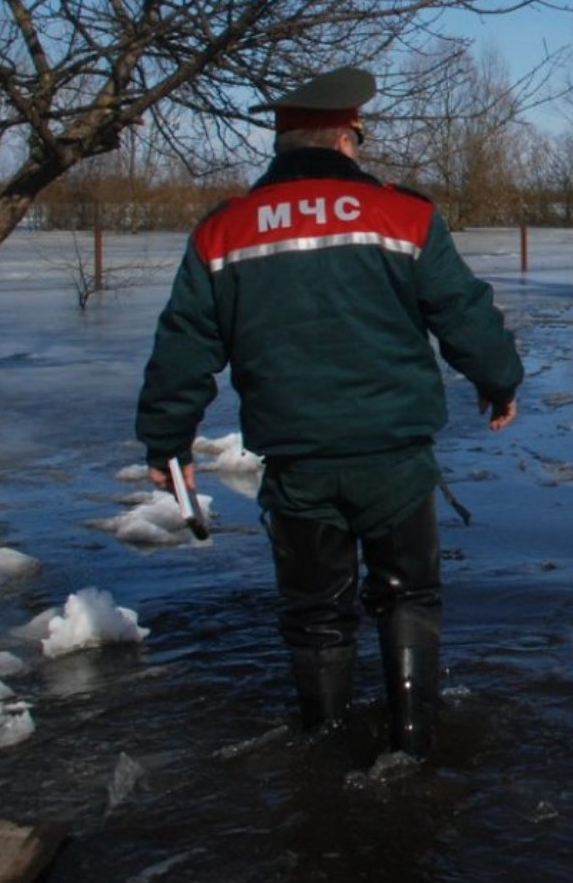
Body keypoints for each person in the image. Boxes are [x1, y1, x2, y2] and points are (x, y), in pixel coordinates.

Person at [135, 66, 523, 759]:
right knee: (406, 595)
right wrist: (498, 381)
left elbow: (185, 346)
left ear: (281, 145)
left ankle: (321, 746)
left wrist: (167, 443)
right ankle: (411, 742)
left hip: (296, 461)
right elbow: (461, 310)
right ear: (348, 139)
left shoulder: (222, 231)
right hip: (392, 457)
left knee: (315, 614)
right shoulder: (403, 215)